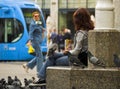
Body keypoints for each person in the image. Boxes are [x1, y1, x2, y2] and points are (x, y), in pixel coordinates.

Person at [35, 8, 94, 84]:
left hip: (77, 60)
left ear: (79, 20)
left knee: (53, 58)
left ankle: (41, 77)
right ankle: (42, 77)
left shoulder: (81, 33)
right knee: (53, 56)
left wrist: (68, 52)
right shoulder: (90, 31)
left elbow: (76, 51)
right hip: (84, 59)